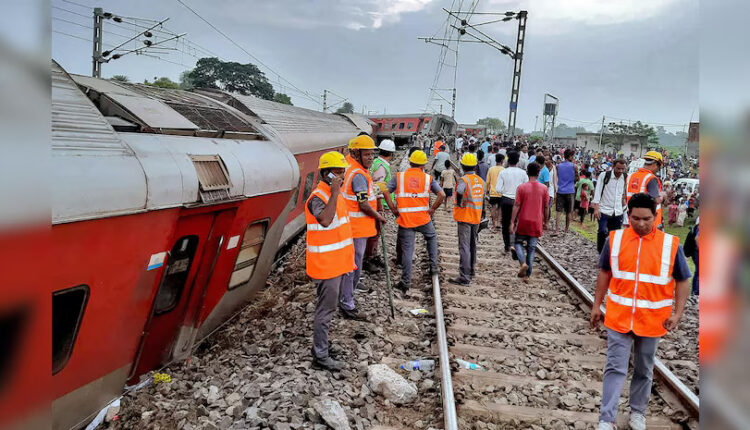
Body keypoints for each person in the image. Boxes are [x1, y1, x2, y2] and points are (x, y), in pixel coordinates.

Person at [591, 193, 691, 430]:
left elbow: (683, 279)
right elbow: (604, 273)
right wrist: (597, 305)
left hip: (652, 321)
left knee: (644, 369)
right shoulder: (615, 240)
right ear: (629, 215)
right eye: (635, 218)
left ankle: (638, 413)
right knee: (615, 367)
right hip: (619, 318)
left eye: (646, 219)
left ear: (656, 216)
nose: (641, 224)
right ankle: (607, 419)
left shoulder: (670, 244)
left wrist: (677, 313)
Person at [306, 152, 356, 371]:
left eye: (343, 171)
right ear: (326, 174)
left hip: (336, 263)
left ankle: (322, 346)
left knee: (328, 309)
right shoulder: (318, 197)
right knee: (325, 311)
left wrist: (335, 192)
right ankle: (321, 356)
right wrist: (335, 192)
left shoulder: (333, 194)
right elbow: (325, 220)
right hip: (325, 265)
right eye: (338, 172)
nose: (342, 176)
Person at [384, 150, 445, 293]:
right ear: (423, 165)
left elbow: (386, 191)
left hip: (406, 220)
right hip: (423, 218)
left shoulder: (400, 177)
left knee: (408, 251)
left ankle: (405, 282)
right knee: (431, 237)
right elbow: (441, 194)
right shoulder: (428, 178)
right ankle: (434, 266)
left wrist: (393, 208)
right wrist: (432, 209)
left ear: (410, 162)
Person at [341, 135, 387, 316]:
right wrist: (379, 217)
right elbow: (363, 204)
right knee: (354, 265)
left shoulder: (352, 167)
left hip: (354, 227)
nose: (370, 158)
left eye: (372, 154)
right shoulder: (358, 175)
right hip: (356, 229)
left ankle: (346, 296)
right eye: (366, 154)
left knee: (352, 265)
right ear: (356, 153)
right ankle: (347, 303)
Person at [509, 162, 549, 282]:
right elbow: (546, 207)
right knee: (531, 249)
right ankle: (527, 276)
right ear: (538, 173)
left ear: (527, 172)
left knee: (518, 243)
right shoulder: (544, 189)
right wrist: (546, 222)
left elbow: (516, 205)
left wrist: (512, 221)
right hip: (536, 222)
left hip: (523, 221)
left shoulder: (521, 188)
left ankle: (522, 263)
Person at [449, 153, 485, 286]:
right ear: (475, 166)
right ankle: (471, 271)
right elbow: (482, 199)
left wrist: (459, 203)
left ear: (463, 166)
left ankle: (464, 277)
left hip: (465, 217)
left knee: (464, 246)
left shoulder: (464, 180)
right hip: (476, 217)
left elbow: (459, 191)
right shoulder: (481, 181)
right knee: (472, 245)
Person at [364, 139, 395, 271]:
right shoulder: (382, 167)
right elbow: (379, 188)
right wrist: (383, 207)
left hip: (377, 202)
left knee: (375, 232)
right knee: (375, 232)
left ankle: (372, 255)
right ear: (391, 154)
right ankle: (369, 258)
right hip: (379, 203)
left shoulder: (377, 163)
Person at [495, 150, 528, 253]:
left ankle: (507, 245)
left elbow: (498, 189)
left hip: (505, 200)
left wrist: (506, 191)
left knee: (505, 223)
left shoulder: (503, 172)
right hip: (518, 200)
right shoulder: (523, 173)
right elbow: (526, 187)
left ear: (508, 161)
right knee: (517, 222)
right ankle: (515, 244)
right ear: (518, 161)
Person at [592, 159, 628, 253]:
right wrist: (596, 208)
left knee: (614, 235)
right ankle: (601, 252)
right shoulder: (604, 176)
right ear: (613, 166)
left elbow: (625, 193)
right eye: (618, 168)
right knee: (602, 231)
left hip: (618, 211)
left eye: (622, 169)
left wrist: (625, 206)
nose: (620, 171)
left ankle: (609, 254)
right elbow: (598, 191)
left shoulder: (625, 177)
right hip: (604, 209)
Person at [626, 151, 664, 229]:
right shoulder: (651, 178)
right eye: (659, 167)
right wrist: (664, 196)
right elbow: (656, 200)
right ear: (655, 164)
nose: (657, 170)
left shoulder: (630, 176)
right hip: (649, 222)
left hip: (633, 218)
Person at [554, 148, 578, 235]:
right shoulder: (574, 166)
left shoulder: (558, 166)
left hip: (560, 190)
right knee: (569, 211)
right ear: (570, 156)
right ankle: (566, 230)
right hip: (570, 190)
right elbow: (577, 178)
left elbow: (556, 177)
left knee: (558, 212)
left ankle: (556, 230)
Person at [486, 153, 505, 230]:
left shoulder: (491, 169)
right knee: (500, 208)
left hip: (493, 192)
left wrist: (487, 190)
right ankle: (499, 223)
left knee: (493, 208)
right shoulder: (504, 170)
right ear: (502, 160)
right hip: (501, 192)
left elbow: (487, 181)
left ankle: (494, 224)